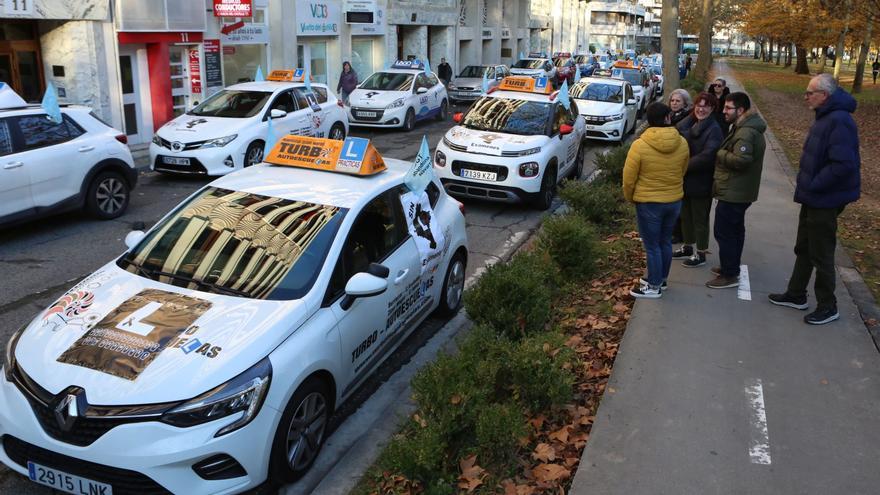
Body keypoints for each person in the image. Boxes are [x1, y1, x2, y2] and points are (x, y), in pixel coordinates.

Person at [768, 74, 860, 325]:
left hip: (825, 198)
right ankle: (796, 294)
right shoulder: (825, 116)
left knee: (821, 252)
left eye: (810, 93)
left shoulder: (839, 120)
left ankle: (828, 306)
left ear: (825, 95)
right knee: (805, 247)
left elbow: (843, 164)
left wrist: (814, 185)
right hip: (814, 197)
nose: (805, 97)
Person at [623, 102, 690, 298]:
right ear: (668, 118)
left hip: (649, 202)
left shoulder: (640, 145)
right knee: (665, 242)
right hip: (674, 200)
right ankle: (661, 279)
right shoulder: (682, 142)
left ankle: (653, 287)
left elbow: (629, 178)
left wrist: (630, 197)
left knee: (652, 246)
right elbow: (683, 169)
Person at [706, 92, 767, 289]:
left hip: (734, 191)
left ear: (740, 110)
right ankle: (730, 266)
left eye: (728, 108)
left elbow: (742, 160)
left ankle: (729, 274)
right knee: (735, 231)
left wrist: (721, 153)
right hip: (738, 190)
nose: (724, 111)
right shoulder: (743, 127)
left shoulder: (745, 132)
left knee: (724, 232)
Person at [673, 92, 723, 267]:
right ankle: (688, 247)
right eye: (698, 105)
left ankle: (701, 253)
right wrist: (692, 115)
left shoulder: (714, 129)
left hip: (702, 181)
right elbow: (678, 128)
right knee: (685, 216)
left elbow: (708, 156)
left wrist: (683, 166)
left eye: (705, 106)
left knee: (700, 219)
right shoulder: (694, 122)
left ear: (712, 108)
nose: (701, 109)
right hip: (686, 180)